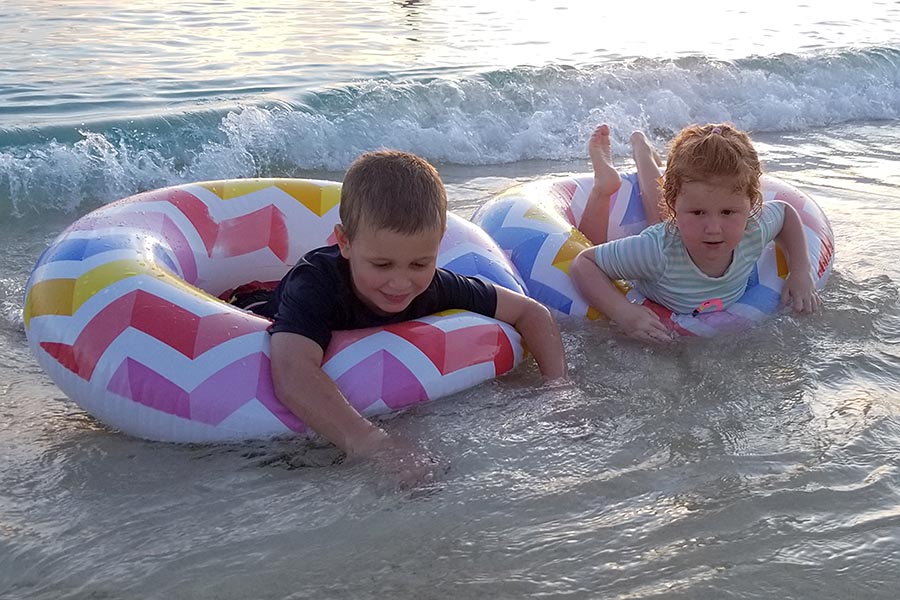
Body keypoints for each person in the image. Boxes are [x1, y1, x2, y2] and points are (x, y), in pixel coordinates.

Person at [265, 150, 567, 482]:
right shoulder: (315, 284)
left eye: (419, 264)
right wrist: (372, 442)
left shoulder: (434, 286)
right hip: (256, 310)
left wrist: (558, 389)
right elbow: (292, 373)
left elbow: (530, 312)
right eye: (381, 265)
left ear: (439, 244)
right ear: (345, 242)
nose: (400, 283)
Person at [570, 123, 820, 344]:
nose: (713, 228)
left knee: (668, 218)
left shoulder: (754, 228)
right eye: (698, 213)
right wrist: (622, 311)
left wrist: (800, 271)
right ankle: (614, 177)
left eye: (728, 212)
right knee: (649, 224)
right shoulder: (655, 250)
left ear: (752, 204)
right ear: (675, 204)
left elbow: (786, 213)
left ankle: (643, 151)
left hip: (678, 228)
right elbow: (584, 263)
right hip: (667, 245)